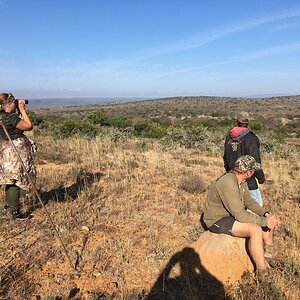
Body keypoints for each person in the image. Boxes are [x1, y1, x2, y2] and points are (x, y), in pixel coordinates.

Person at [203, 155, 280, 280]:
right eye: (253, 170)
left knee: (266, 220)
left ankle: (268, 255)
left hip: (230, 214)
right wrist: (265, 222)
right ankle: (262, 272)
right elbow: (240, 214)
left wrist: (265, 214)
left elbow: (248, 201)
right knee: (255, 229)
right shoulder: (228, 182)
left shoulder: (240, 181)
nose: (254, 172)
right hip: (217, 219)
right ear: (249, 172)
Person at [0, 92, 36, 220]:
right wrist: (22, 110)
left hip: (7, 151)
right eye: (13, 102)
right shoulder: (10, 118)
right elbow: (28, 126)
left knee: (10, 179)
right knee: (16, 180)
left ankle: (10, 205)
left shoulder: (2, 117)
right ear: (8, 104)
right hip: (16, 152)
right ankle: (15, 212)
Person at [223, 111, 265, 206]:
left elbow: (225, 157)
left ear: (237, 122)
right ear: (248, 122)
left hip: (232, 178)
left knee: (235, 207)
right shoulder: (251, 138)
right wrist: (261, 177)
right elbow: (255, 161)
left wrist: (229, 173)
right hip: (248, 180)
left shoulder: (229, 137)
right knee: (257, 207)